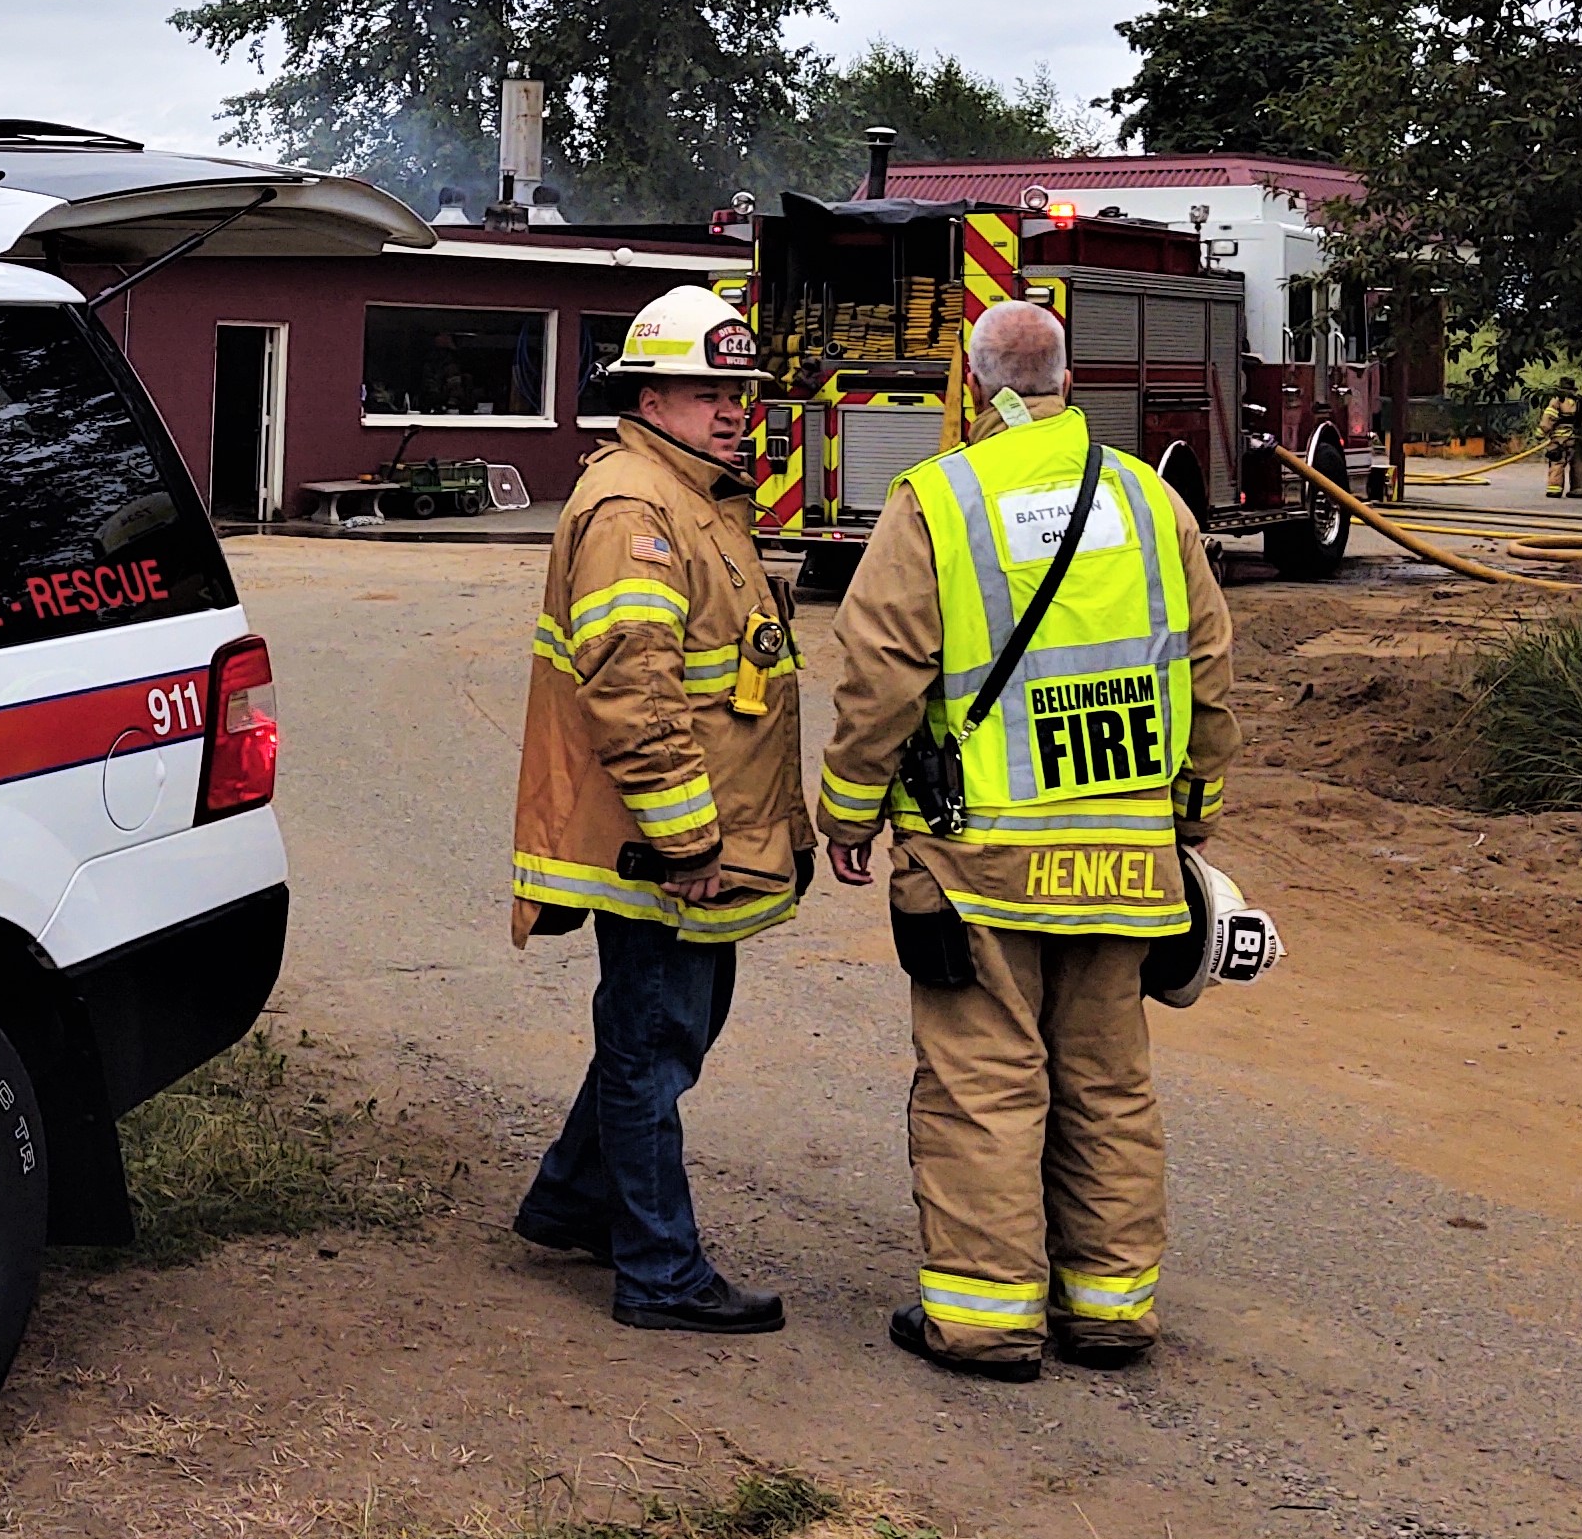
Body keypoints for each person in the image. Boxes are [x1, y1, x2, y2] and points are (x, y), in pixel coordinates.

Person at [810, 300, 1236, 1381]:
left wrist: (849, 808)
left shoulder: (939, 501)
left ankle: (988, 1320)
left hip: (980, 859)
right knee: (1106, 1081)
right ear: (1065, 377)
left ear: (971, 382)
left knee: (984, 1081)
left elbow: (880, 675)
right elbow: (1207, 664)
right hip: (1126, 856)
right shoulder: (1147, 499)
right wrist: (1194, 807)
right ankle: (1108, 1309)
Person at [507, 284, 806, 1334]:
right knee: (650, 1042)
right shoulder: (637, 508)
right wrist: (685, 835)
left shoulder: (691, 494)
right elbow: (633, 686)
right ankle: (659, 1272)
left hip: (685, 834)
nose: (732, 408)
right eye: (703, 389)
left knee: (664, 1030)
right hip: (657, 842)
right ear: (647, 394)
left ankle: (573, 1199)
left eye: (739, 390)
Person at [1539, 383, 1582, 498]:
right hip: (1578, 439)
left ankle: (1554, 489)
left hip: (1561, 439)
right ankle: (1578, 490)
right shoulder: (1581, 402)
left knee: (1557, 462)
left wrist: (1541, 433)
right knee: (1578, 464)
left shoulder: (1557, 401)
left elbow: (1548, 418)